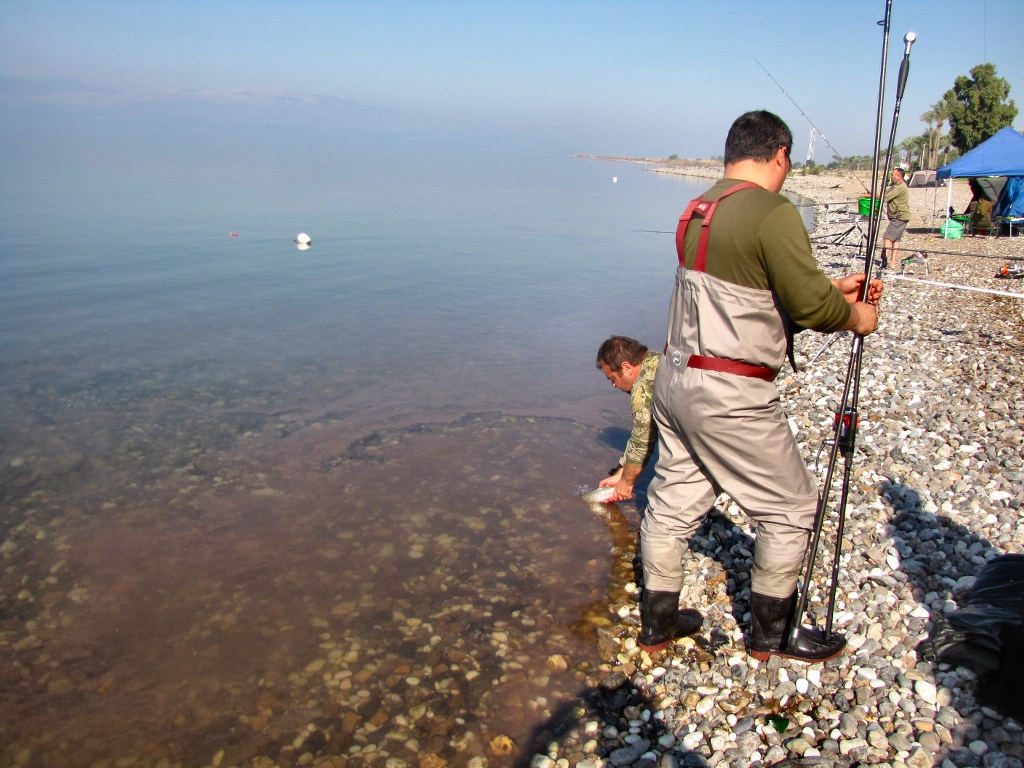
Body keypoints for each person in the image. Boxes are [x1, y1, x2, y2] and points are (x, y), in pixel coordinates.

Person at [638, 110, 883, 662]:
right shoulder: (774, 212)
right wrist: (857, 315)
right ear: (779, 154)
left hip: (676, 382)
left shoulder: (696, 211)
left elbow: (742, 300)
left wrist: (835, 289)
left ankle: (657, 624)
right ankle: (772, 637)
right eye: (788, 161)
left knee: (673, 501)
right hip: (732, 395)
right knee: (791, 506)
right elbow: (807, 308)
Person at [595, 336, 660, 503]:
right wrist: (621, 472)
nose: (614, 386)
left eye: (613, 379)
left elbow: (642, 442)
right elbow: (642, 433)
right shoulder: (656, 359)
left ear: (626, 367)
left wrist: (626, 483)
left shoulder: (642, 389)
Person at [880, 168, 910, 269]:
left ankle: (886, 259)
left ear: (898, 176)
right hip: (902, 216)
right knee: (896, 239)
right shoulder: (897, 186)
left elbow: (885, 197)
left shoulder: (900, 187)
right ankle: (892, 263)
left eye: (892, 175)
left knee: (887, 237)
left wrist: (868, 195)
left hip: (899, 216)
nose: (891, 176)